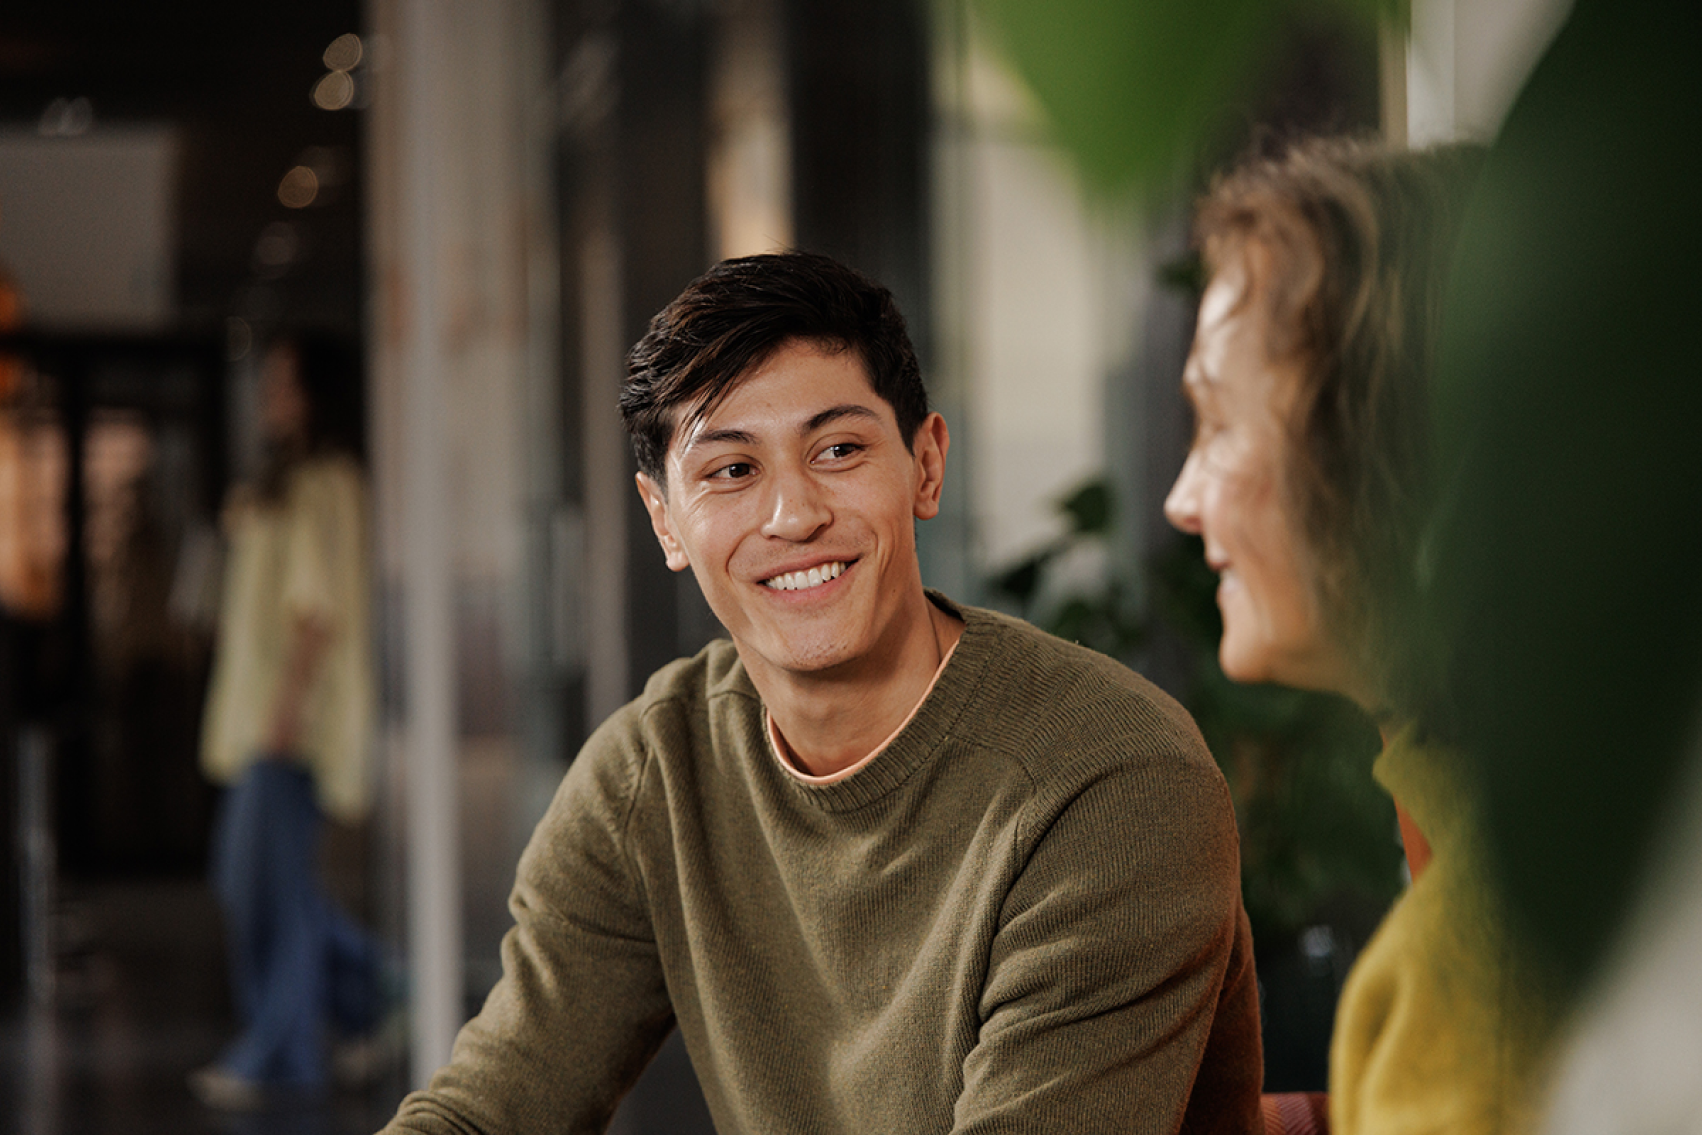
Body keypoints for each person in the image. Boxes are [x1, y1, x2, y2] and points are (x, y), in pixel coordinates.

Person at [384, 251, 1262, 1134]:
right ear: (664, 520)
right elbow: (486, 1111)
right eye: (732, 470)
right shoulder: (652, 775)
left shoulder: (1110, 782)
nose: (793, 515)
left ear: (926, 464)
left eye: (838, 450)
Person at [1162, 137, 1560, 1135]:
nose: (1181, 499)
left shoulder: (1481, 965)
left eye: (1218, 422)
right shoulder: (1539, 812)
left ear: (1384, 439)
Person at [192, 333, 381, 1108]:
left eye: (283, 384)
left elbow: (316, 613)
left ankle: (283, 1052)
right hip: (257, 721)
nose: (270, 399)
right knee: (265, 882)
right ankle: (378, 994)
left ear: (316, 394)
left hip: (288, 726)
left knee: (259, 884)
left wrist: (284, 715)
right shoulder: (285, 482)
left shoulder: (325, 483)